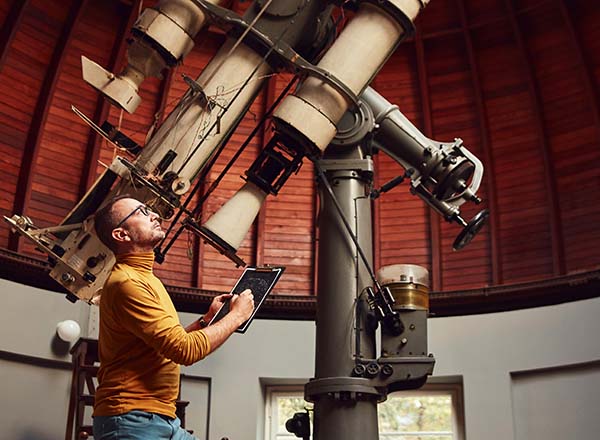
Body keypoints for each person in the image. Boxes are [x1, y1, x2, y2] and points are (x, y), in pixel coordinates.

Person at [91, 196, 255, 440]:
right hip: (131, 420)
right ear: (121, 235)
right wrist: (237, 316)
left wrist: (206, 320)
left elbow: (166, 345)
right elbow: (184, 350)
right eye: (141, 212)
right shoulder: (127, 283)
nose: (155, 215)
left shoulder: (146, 279)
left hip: (159, 418)